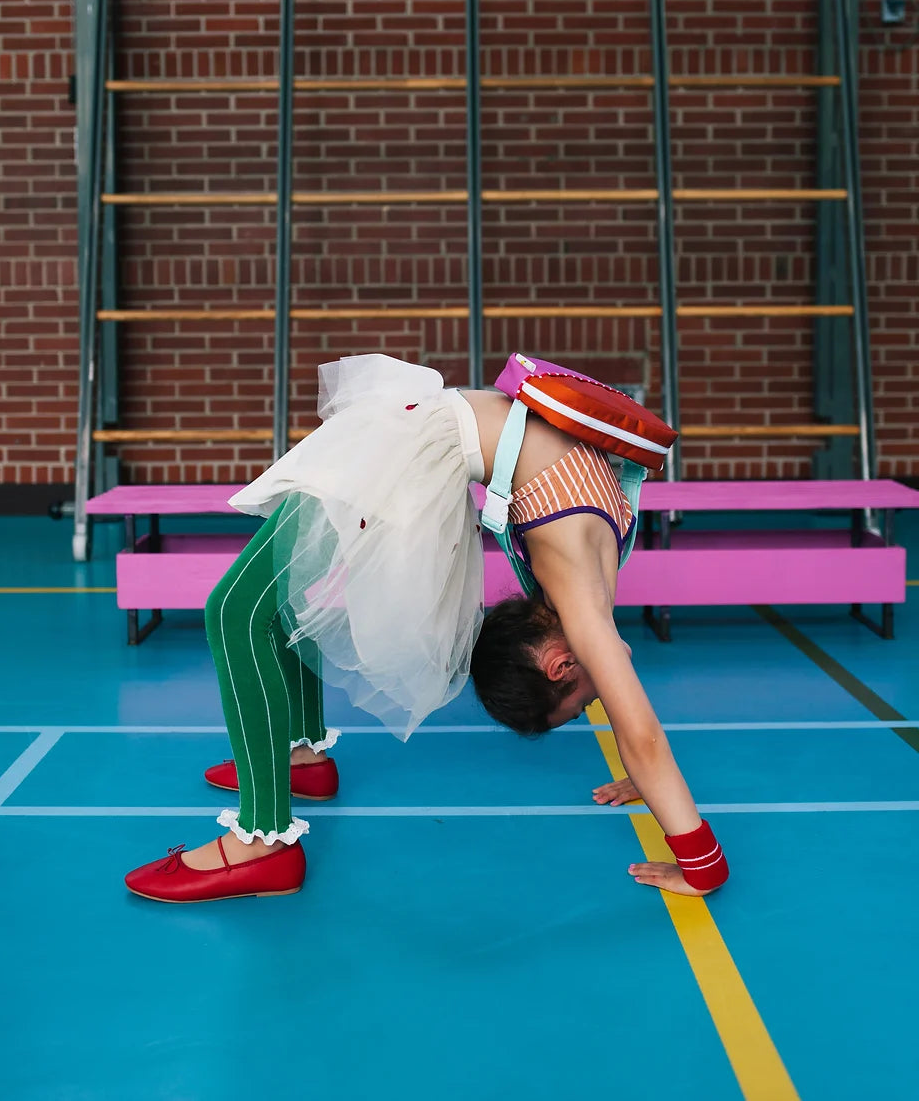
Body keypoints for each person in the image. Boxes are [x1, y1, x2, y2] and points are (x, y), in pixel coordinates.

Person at [125, 354, 728, 903]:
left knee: (269, 603)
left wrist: (643, 778)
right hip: (409, 449)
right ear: (559, 666)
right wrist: (702, 864)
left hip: (422, 433)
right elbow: (640, 729)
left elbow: (632, 716)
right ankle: (265, 838)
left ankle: (296, 772)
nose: (598, 698)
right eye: (579, 709)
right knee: (237, 611)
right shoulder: (579, 592)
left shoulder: (595, 570)